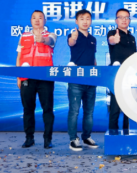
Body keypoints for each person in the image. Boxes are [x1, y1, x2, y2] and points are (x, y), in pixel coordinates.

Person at [16, 10, 57, 149]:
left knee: (47, 109)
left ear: (45, 21)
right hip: (27, 78)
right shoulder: (23, 37)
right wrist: (18, 77)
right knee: (28, 109)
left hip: (45, 77)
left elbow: (51, 41)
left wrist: (42, 40)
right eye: (34, 18)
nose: (37, 20)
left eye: (40, 17)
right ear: (30, 21)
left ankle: (47, 139)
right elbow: (19, 57)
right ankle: (29, 138)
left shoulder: (51, 35)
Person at [67, 9, 98, 151]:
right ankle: (73, 139)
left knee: (89, 112)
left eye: (88, 18)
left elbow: (93, 58)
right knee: (74, 111)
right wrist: (73, 38)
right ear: (76, 21)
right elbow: (71, 43)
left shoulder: (93, 39)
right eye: (82, 19)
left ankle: (86, 137)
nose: (85, 21)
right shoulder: (73, 35)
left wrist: (96, 73)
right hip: (76, 80)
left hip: (90, 80)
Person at [107, 8, 137, 132]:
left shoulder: (132, 37)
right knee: (115, 107)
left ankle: (126, 133)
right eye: (121, 17)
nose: (124, 20)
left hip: (130, 75)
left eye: (127, 17)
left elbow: (135, 56)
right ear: (116, 20)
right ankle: (113, 134)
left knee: (128, 106)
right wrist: (114, 40)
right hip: (116, 75)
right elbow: (111, 41)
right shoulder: (112, 33)